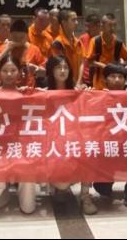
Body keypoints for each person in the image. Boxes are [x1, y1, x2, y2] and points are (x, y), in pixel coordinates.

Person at [0, 56, 37, 214]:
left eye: (13, 70)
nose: (9, 74)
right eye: (5, 71)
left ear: (20, 72)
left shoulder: (27, 94)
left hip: (21, 152)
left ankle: (19, 184)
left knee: (28, 208)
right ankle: (5, 189)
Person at [43, 55, 97, 215]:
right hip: (52, 145)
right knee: (61, 182)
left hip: (74, 142)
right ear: (51, 71)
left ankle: (85, 196)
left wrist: (94, 95)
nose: (62, 71)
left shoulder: (78, 92)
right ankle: (60, 188)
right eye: (58, 67)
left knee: (89, 150)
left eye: (65, 67)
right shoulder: (43, 94)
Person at [92, 64, 127, 207]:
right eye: (113, 76)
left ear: (125, 80)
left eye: (120, 77)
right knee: (102, 188)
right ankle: (105, 183)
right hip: (106, 143)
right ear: (105, 80)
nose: (117, 80)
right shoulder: (96, 96)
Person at [0, 19, 46, 88]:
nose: (18, 40)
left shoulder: (34, 50)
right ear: (10, 35)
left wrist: (36, 69)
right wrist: (6, 50)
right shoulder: (4, 48)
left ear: (27, 36)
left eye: (21, 37)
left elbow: (45, 73)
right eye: (15, 37)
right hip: (4, 88)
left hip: (27, 89)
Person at [85, 13, 127, 90]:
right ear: (102, 26)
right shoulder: (95, 41)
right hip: (99, 84)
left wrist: (121, 66)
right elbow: (89, 62)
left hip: (115, 84)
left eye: (114, 25)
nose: (112, 28)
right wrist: (103, 66)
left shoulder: (118, 43)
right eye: (110, 25)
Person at [51, 10, 85, 89]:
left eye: (77, 20)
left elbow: (82, 63)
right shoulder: (57, 43)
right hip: (64, 86)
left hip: (78, 86)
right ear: (64, 22)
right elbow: (60, 67)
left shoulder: (78, 42)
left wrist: (79, 82)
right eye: (73, 20)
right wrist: (74, 85)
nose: (76, 23)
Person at [79, 13, 101, 85]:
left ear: (98, 26)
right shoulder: (82, 39)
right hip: (85, 80)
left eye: (90, 26)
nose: (87, 29)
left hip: (101, 79)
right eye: (86, 26)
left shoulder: (105, 38)